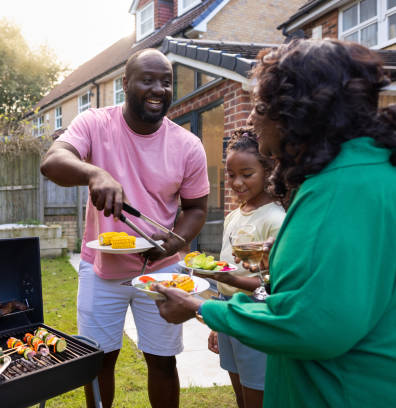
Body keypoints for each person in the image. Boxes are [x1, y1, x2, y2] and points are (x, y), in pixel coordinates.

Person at [154, 39, 396, 407]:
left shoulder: (339, 192)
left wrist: (201, 307)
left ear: (296, 114)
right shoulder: (368, 173)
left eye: (260, 106)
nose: (251, 119)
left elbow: (315, 323)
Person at [40, 48, 209, 408]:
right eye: (148, 79)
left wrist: (173, 243)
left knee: (162, 361)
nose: (159, 89)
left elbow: (196, 209)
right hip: (101, 269)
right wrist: (94, 172)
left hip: (161, 271)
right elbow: (53, 162)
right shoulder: (94, 123)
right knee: (98, 360)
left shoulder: (188, 145)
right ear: (125, 84)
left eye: (166, 81)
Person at [204, 128, 285, 408]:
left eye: (246, 174)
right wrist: (218, 321)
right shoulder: (234, 216)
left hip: (255, 313)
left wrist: (225, 278)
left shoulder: (275, 218)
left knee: (256, 394)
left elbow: (274, 284)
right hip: (229, 310)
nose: (237, 182)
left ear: (268, 171)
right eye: (231, 175)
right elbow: (226, 272)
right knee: (239, 391)